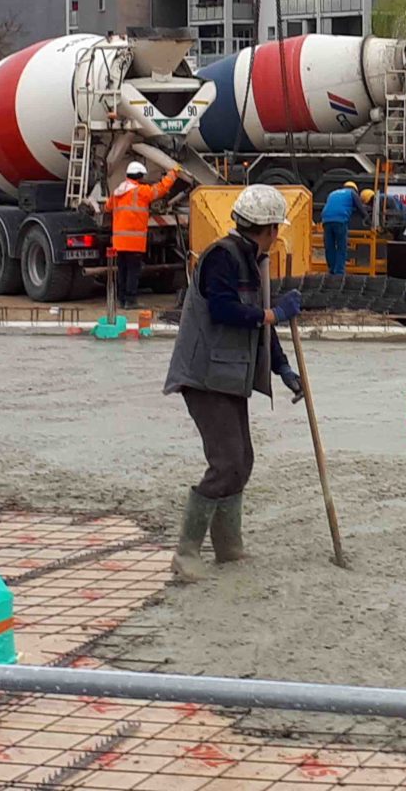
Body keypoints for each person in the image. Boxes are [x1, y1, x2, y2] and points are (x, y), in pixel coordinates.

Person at [162, 183, 306, 581]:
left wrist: (283, 369)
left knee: (242, 462)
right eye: (276, 229)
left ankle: (227, 547)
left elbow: (262, 324)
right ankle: (186, 552)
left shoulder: (253, 260)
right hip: (204, 375)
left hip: (229, 375)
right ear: (268, 228)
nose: (277, 237)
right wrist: (275, 313)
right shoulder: (222, 258)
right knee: (226, 463)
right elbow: (226, 311)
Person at [110, 160, 179, 309]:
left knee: (122, 271)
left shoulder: (117, 192)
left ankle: (122, 299)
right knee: (133, 272)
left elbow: (107, 207)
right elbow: (161, 189)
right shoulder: (141, 191)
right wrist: (173, 173)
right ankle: (131, 300)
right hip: (134, 242)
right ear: (139, 176)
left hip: (119, 242)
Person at [319, 180, 365, 275]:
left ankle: (331, 270)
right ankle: (339, 273)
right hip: (340, 220)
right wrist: (367, 218)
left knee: (329, 246)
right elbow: (361, 208)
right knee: (341, 247)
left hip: (326, 220)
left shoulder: (333, 193)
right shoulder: (351, 193)